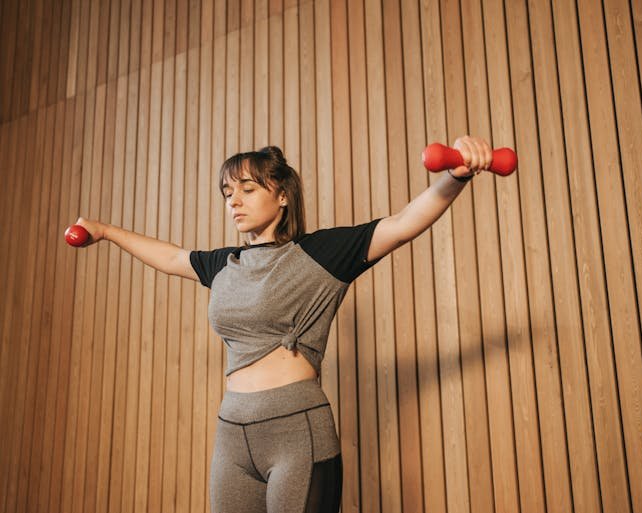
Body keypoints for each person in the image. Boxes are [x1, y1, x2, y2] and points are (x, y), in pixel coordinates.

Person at [70, 135, 493, 513]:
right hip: (232, 436)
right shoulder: (225, 264)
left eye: (247, 189)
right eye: (227, 192)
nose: (233, 200)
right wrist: (105, 231)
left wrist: (456, 177)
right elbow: (171, 257)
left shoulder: (319, 254)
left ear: (283, 195)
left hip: (296, 431)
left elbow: (401, 225)